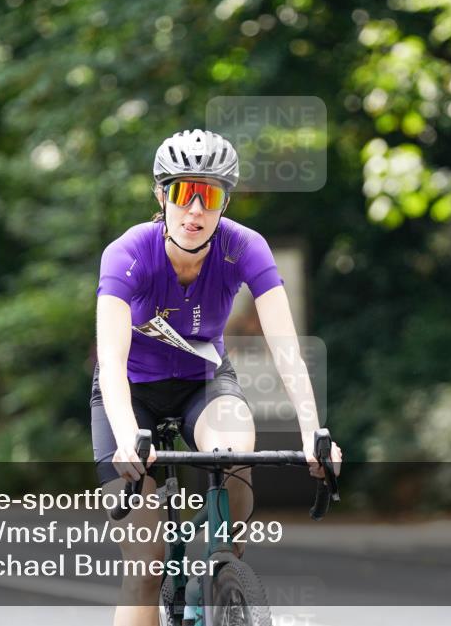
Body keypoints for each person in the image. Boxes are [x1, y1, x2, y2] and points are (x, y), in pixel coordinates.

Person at [91, 128, 342, 626]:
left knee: (233, 453)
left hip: (202, 384)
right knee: (145, 568)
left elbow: (286, 347)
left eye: (211, 196)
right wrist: (125, 439)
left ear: (225, 202)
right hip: (129, 395)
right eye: (185, 193)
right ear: (162, 196)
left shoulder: (245, 246)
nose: (195, 211)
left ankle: (225, 571)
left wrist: (315, 431)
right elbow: (112, 361)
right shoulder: (128, 253)